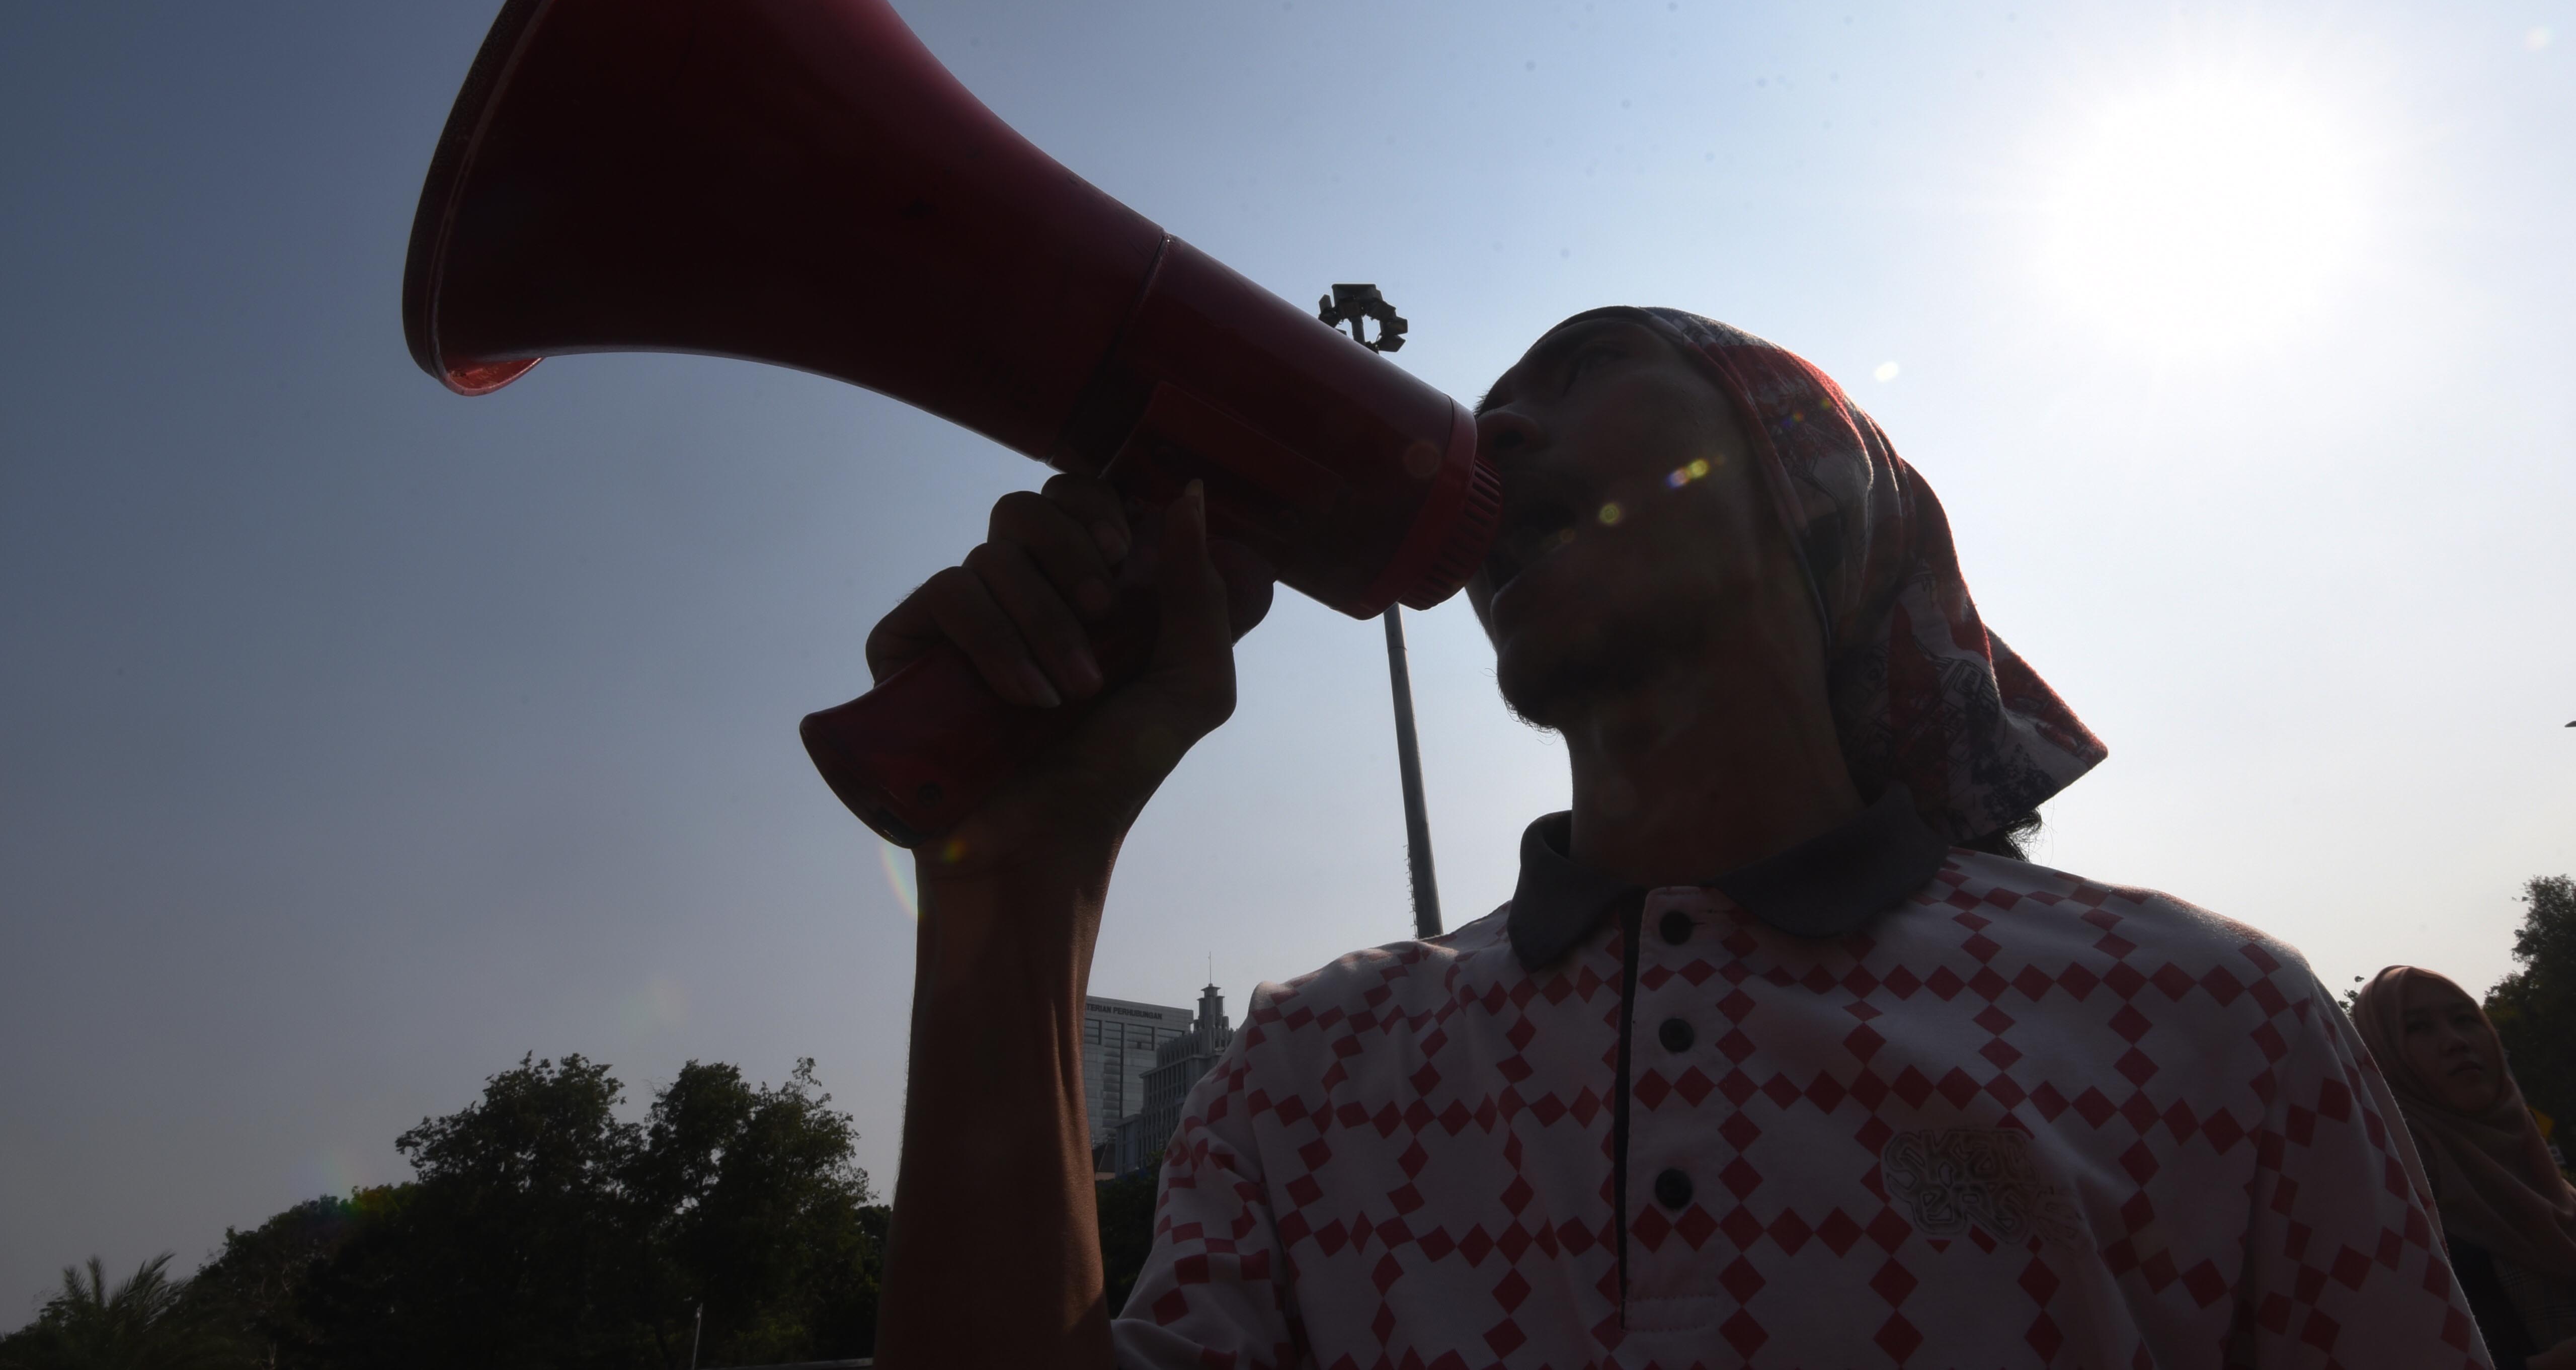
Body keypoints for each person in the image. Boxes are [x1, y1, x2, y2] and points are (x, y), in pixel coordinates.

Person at [869, 307, 2486, 1366]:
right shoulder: (1305, 1063)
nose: (1482, 441)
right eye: (1484, 416)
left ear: (1807, 490)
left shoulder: (2216, 1023)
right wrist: (1014, 876)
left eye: (1570, 380)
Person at [2352, 966, 2576, 1369]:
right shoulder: (2392, 1201)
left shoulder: (2549, 1182)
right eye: (2419, 1028)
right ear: (2381, 1056)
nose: (2455, 1042)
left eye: (2465, 1020)